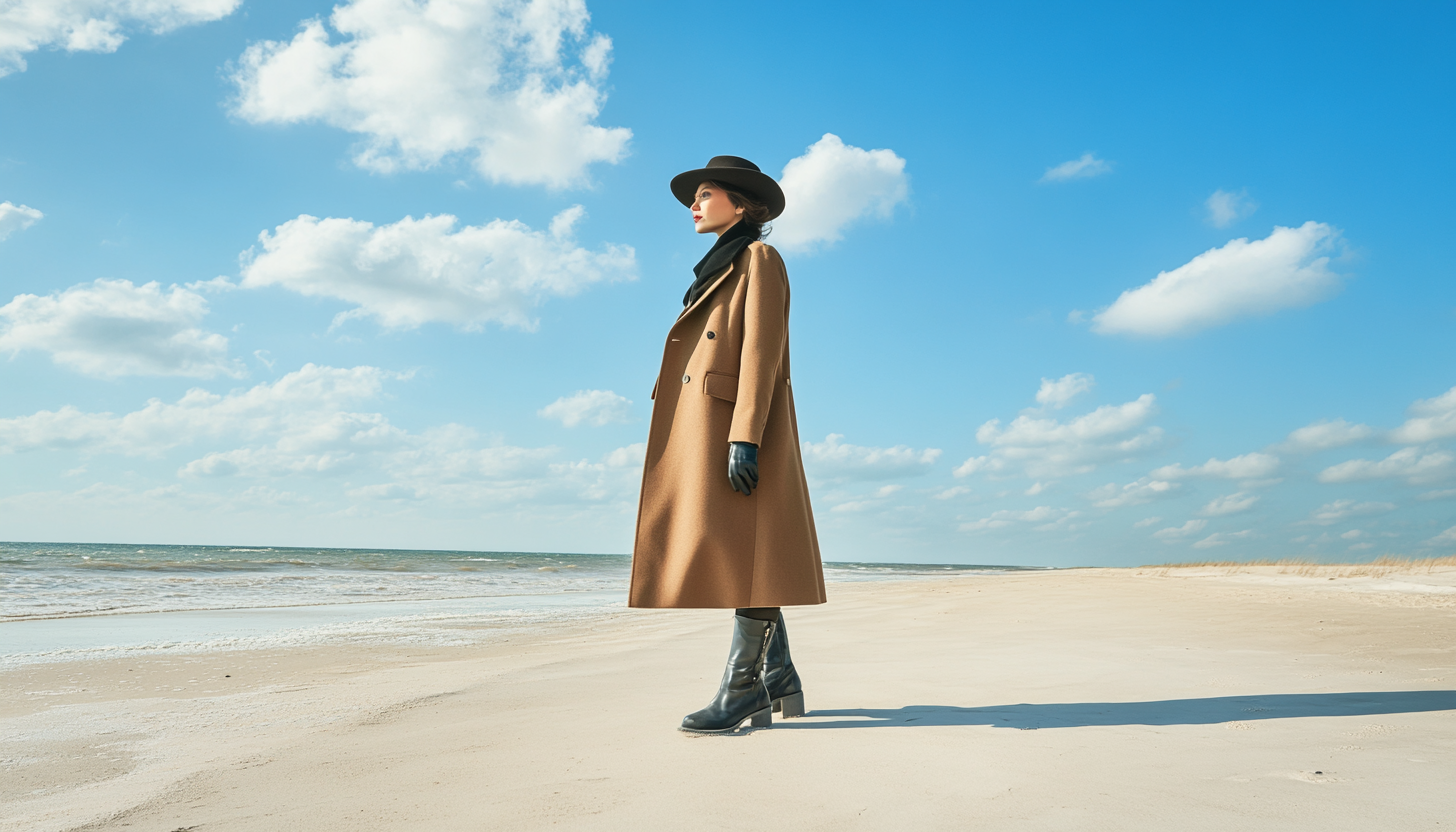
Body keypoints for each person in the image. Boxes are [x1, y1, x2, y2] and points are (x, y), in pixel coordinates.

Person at [629, 155, 827, 734]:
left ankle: (742, 688)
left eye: (706, 194)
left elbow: (763, 353)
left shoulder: (759, 259)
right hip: (707, 423)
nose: (694, 204)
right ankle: (779, 673)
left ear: (741, 204)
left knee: (750, 550)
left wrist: (746, 435)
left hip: (737, 424)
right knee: (749, 550)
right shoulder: (717, 265)